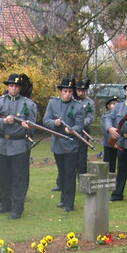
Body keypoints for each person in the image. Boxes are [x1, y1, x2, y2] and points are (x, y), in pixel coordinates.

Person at [0, 72, 38, 219]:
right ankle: (5, 204)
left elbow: (33, 126)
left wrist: (27, 126)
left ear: (20, 88)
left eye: (16, 86)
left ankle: (17, 208)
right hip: (2, 144)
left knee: (18, 178)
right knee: (4, 177)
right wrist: (3, 121)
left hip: (19, 144)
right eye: (11, 86)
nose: (13, 88)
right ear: (8, 87)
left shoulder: (28, 104)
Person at [44, 76, 85, 212]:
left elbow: (79, 125)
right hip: (57, 143)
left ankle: (69, 203)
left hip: (71, 144)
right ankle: (63, 199)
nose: (67, 94)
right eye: (65, 91)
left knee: (69, 174)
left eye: (70, 91)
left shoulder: (78, 106)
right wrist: (54, 123)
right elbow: (46, 120)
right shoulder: (53, 103)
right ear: (61, 91)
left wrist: (72, 130)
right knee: (62, 173)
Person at [75, 78, 95, 174]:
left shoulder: (89, 103)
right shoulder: (72, 101)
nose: (81, 93)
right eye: (79, 90)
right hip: (71, 132)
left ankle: (82, 179)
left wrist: (80, 124)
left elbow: (90, 118)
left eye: (83, 91)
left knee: (82, 158)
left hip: (83, 132)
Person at [100, 96, 120, 172]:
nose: (115, 105)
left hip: (118, 142)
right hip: (108, 142)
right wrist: (112, 142)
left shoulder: (119, 115)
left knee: (115, 162)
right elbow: (105, 131)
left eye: (116, 104)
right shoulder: (105, 116)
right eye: (113, 104)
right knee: (108, 162)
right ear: (108, 106)